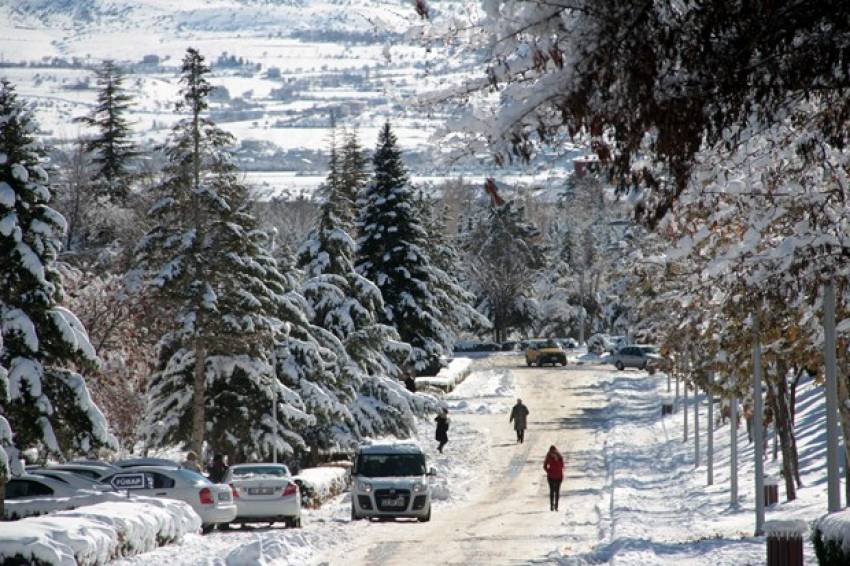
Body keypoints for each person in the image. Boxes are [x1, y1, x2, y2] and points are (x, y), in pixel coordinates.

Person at [543, 445, 565, 511]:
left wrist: (557, 460)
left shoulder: (560, 457)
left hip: (559, 477)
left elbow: (562, 466)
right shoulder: (548, 457)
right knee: (552, 491)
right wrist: (548, 471)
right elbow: (544, 466)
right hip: (551, 477)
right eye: (551, 452)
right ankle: (552, 505)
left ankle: (556, 506)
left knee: (557, 491)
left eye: (553, 452)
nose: (552, 454)